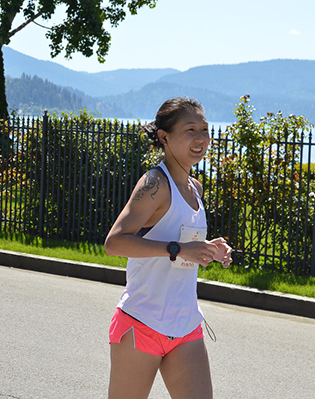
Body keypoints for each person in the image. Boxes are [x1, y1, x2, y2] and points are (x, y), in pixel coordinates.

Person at [104, 97, 233, 399]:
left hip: (186, 325)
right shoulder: (155, 183)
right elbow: (115, 242)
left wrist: (209, 249)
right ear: (164, 137)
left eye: (204, 129)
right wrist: (177, 249)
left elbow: (184, 244)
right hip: (141, 324)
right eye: (190, 130)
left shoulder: (195, 188)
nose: (201, 138)